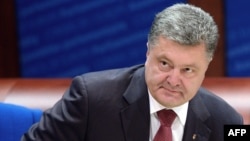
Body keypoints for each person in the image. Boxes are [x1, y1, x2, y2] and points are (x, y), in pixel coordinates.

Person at [21, 3, 243, 141]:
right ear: (148, 52)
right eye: (164, 64)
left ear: (207, 66)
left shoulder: (227, 121)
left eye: (187, 70)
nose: (173, 80)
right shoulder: (90, 98)